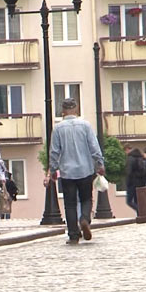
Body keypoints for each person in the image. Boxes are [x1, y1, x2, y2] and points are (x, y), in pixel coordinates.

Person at [46, 98, 105, 245]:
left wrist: (53, 169)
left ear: (63, 111)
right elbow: (94, 146)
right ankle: (84, 219)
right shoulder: (85, 125)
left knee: (70, 204)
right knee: (86, 198)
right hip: (85, 170)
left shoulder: (58, 128)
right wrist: (100, 163)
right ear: (76, 109)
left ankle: (73, 234)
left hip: (67, 172)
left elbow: (54, 151)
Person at [124, 145, 146, 212]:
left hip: (132, 183)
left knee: (129, 201)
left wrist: (127, 183)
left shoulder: (130, 158)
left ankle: (141, 212)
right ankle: (141, 214)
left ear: (127, 149)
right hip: (142, 183)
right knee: (138, 201)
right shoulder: (142, 158)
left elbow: (128, 172)